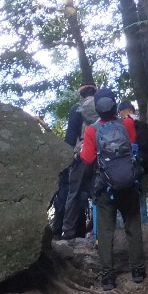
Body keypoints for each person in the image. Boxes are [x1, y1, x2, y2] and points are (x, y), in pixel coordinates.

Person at [81, 87, 145, 290]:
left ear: (97, 108)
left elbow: (87, 158)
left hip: (105, 188)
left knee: (106, 231)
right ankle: (138, 270)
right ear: (115, 104)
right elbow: (133, 147)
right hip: (128, 184)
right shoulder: (127, 124)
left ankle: (108, 277)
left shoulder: (92, 130)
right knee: (133, 225)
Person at [55, 83, 98, 240]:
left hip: (80, 155)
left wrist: (67, 157)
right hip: (98, 155)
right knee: (97, 194)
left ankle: (68, 232)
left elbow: (70, 136)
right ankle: (98, 231)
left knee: (73, 193)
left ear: (81, 95)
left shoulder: (77, 109)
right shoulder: (101, 107)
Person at [118, 101, 148, 222]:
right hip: (143, 167)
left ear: (123, 111)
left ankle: (128, 229)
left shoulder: (122, 125)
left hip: (127, 168)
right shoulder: (144, 125)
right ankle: (144, 226)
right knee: (141, 199)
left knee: (125, 200)